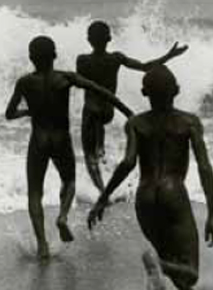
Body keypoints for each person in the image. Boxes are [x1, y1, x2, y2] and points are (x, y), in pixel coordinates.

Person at [88, 64, 213, 290]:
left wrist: (104, 196)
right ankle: (158, 265)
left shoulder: (136, 123)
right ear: (177, 91)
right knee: (188, 272)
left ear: (144, 92)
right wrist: (212, 214)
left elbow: (127, 163)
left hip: (145, 197)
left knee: (168, 264)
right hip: (173, 194)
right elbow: (204, 166)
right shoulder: (189, 122)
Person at [5, 35, 133, 260]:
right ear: (54, 55)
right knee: (69, 181)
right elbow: (102, 92)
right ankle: (63, 216)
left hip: (39, 139)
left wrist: (28, 112)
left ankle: (42, 245)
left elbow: (9, 114)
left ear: (31, 57)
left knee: (35, 192)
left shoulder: (24, 82)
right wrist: (127, 111)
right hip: (61, 139)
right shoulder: (66, 78)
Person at [77, 20, 188, 194]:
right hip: (108, 110)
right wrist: (169, 56)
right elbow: (145, 67)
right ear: (109, 39)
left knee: (90, 156)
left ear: (89, 40)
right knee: (99, 148)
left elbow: (82, 84)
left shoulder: (82, 60)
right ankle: (108, 177)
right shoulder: (116, 58)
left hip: (91, 110)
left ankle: (101, 191)